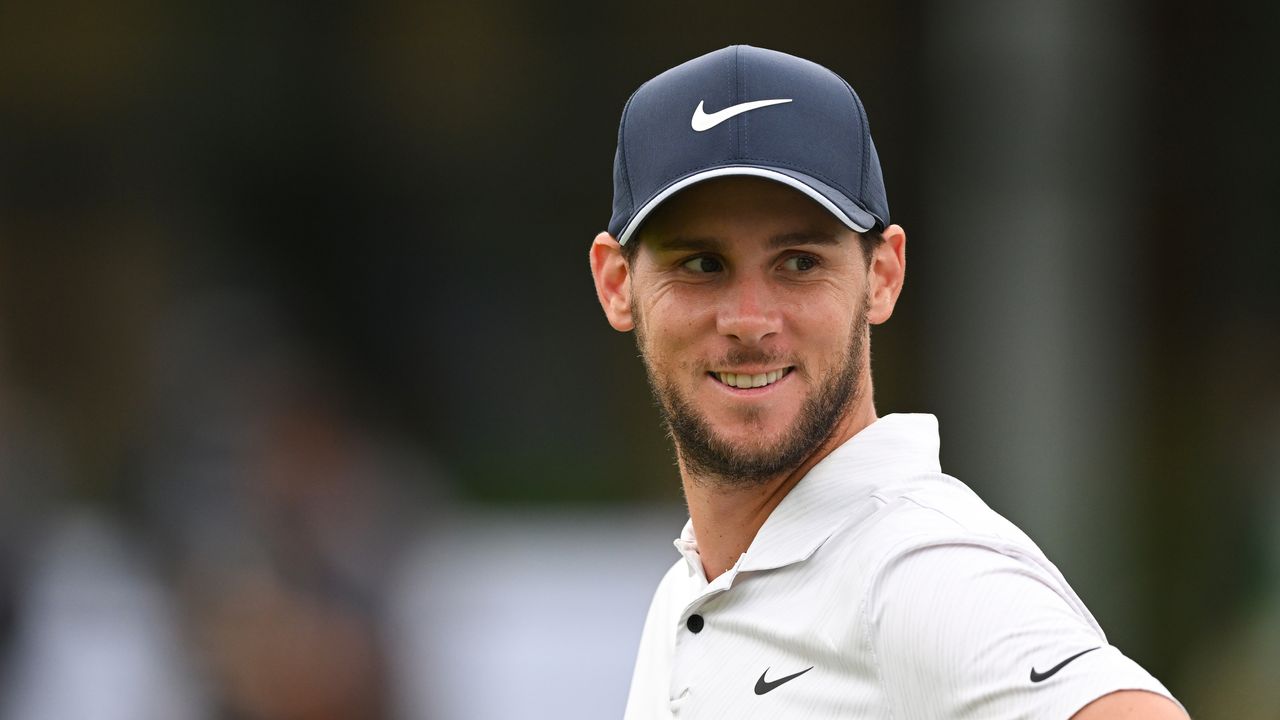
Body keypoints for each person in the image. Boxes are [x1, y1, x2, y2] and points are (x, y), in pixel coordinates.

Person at [588, 45, 1188, 719]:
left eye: (798, 262)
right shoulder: (689, 591)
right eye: (702, 263)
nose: (749, 320)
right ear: (617, 284)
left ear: (883, 275)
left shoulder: (918, 568)